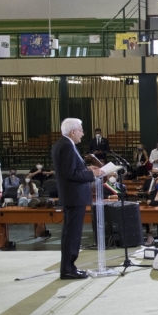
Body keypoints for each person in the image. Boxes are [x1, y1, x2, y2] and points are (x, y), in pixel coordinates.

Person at [51, 118, 100, 280]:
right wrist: (92, 174)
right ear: (73, 132)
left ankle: (68, 267)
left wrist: (86, 168)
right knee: (72, 234)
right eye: (80, 130)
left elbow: (71, 169)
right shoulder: (67, 146)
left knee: (69, 233)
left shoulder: (62, 144)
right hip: (74, 196)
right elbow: (71, 174)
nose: (82, 133)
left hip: (71, 196)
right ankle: (68, 269)